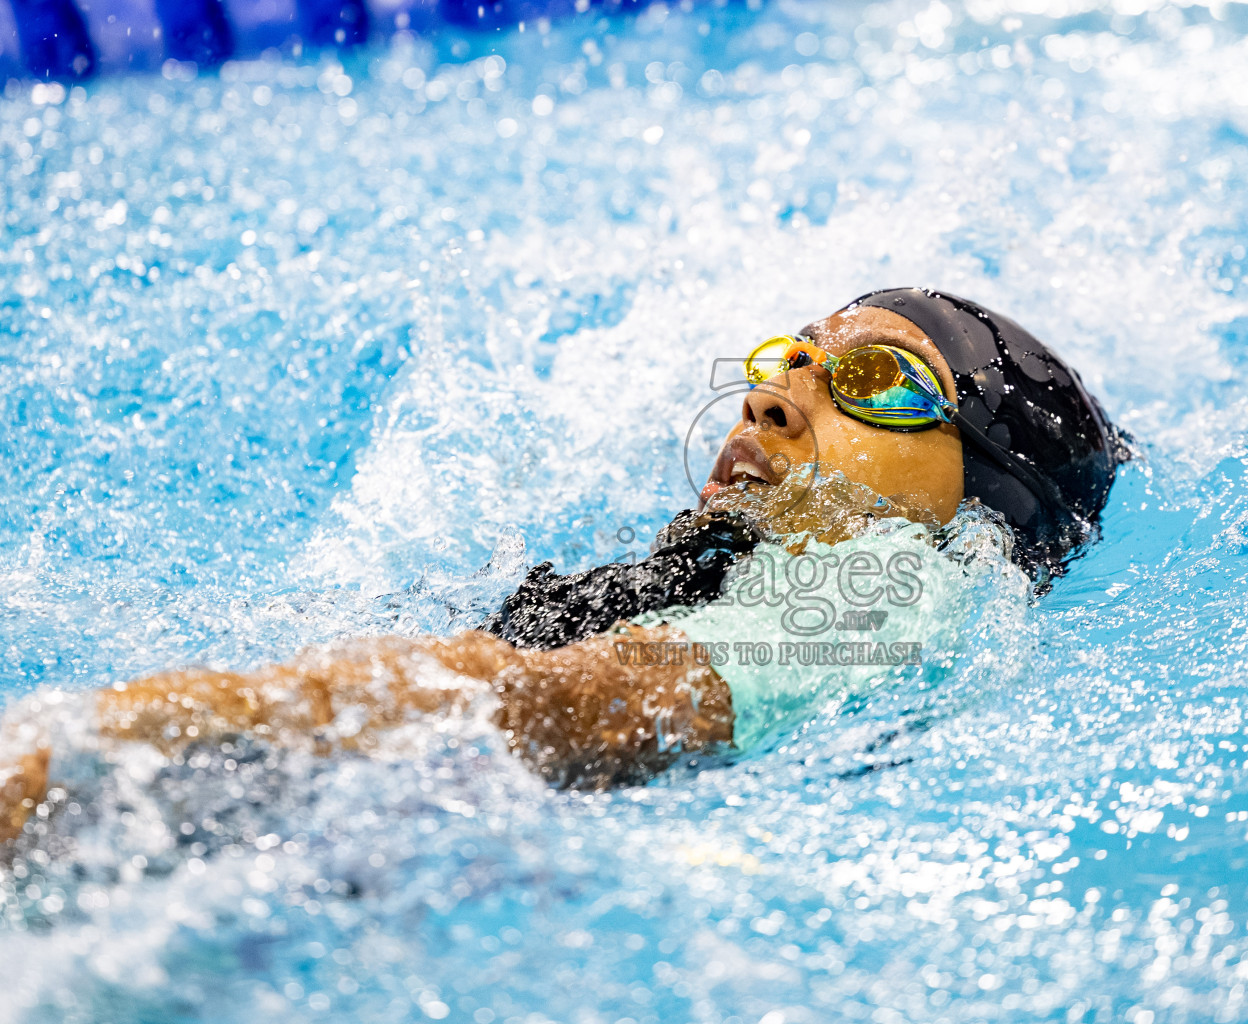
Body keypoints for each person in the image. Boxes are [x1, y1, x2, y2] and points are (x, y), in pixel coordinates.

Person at [0, 288, 1124, 843]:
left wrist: (119, 737)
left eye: (876, 378)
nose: (773, 393)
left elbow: (570, 705)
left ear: (990, 491)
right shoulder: (727, 578)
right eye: (793, 359)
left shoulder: (907, 581)